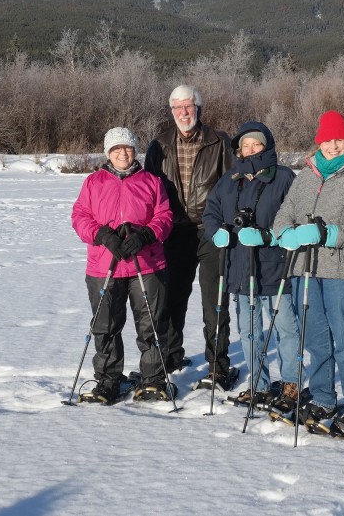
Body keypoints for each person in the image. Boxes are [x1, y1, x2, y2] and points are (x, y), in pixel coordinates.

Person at [271, 110, 344, 436]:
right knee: (316, 340)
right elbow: (284, 214)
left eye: (339, 139)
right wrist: (284, 234)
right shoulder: (305, 176)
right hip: (304, 268)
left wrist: (327, 234)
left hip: (342, 269)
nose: (333, 145)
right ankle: (322, 397)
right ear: (318, 141)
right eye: (327, 139)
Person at [70, 127, 174, 403]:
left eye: (127, 148)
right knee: (105, 326)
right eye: (116, 149)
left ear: (134, 150)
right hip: (105, 266)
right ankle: (108, 379)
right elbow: (80, 216)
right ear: (108, 153)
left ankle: (152, 378)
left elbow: (164, 215)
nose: (122, 153)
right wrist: (102, 235)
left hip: (146, 264)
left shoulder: (151, 181)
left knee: (151, 324)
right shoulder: (94, 182)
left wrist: (146, 235)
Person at [202, 121, 300, 409]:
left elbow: (294, 219)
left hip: (275, 266)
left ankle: (291, 382)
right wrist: (216, 231)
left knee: (285, 327)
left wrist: (268, 237)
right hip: (240, 266)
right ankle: (258, 384)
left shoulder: (283, 178)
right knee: (248, 330)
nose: (250, 149)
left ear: (266, 146)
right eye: (245, 145)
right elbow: (211, 211)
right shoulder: (230, 179)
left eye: (256, 144)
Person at [145, 85, 236, 390]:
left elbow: (231, 185)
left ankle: (218, 366)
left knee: (214, 301)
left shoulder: (219, 141)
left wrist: (226, 223)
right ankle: (171, 356)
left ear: (199, 107)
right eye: (177, 108)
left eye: (189, 106)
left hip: (211, 231)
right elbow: (149, 190)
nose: (184, 112)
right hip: (173, 233)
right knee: (172, 299)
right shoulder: (159, 145)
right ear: (171, 112)